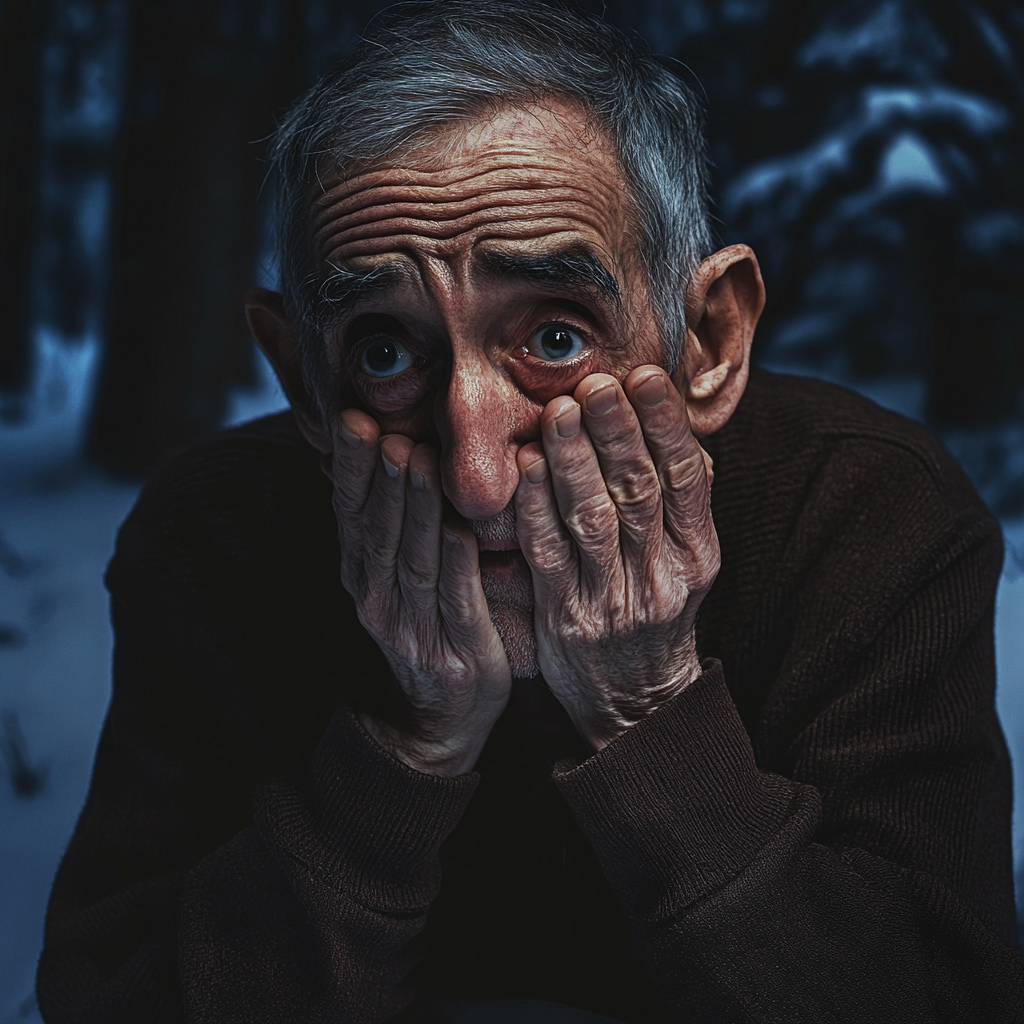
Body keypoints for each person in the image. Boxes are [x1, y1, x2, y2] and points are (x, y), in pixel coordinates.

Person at [37, 3, 1023, 1022]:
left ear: (709, 341)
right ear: (303, 381)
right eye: (383, 352)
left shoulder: (866, 514)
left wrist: (650, 714)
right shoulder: (215, 543)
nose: (476, 476)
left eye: (554, 338)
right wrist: (403, 750)